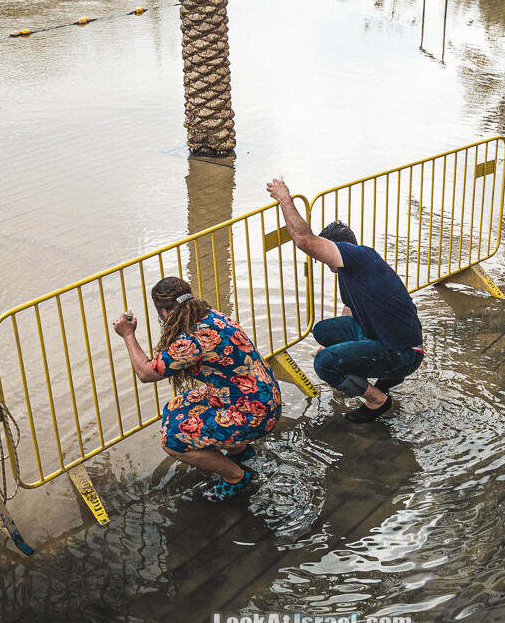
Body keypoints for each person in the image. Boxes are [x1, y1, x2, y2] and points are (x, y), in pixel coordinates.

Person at [267, 179, 424, 422]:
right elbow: (350, 308)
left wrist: (284, 198)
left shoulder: (359, 257)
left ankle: (377, 400)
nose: (318, 259)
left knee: (325, 363)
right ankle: (382, 375)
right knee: (323, 332)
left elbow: (303, 240)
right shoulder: (350, 269)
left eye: (322, 251)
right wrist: (341, 348)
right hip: (389, 338)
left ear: (336, 247)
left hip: (404, 352)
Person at [112, 277, 281, 502]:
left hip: (256, 414)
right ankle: (239, 451)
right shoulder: (214, 316)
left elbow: (145, 373)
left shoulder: (190, 340)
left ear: (163, 312)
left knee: (172, 441)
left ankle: (236, 477)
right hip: (265, 396)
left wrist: (128, 335)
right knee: (177, 406)